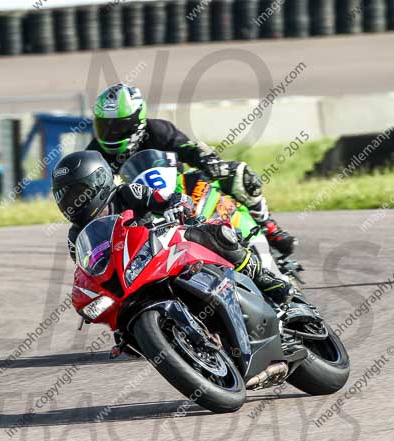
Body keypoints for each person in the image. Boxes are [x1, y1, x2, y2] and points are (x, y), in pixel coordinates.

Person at [52, 150, 292, 304]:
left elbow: (159, 197)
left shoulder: (125, 194)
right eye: (64, 197)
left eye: (77, 194)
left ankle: (263, 278)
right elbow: (90, 272)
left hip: (167, 247)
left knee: (214, 233)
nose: (71, 203)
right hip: (132, 278)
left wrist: (175, 202)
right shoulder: (76, 236)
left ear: (99, 183)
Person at [85, 83, 296, 257]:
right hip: (137, 208)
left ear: (136, 122)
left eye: (117, 126)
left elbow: (189, 148)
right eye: (103, 125)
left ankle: (269, 227)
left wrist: (210, 161)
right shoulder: (94, 153)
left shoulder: (158, 130)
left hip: (181, 191)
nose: (109, 133)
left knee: (239, 175)